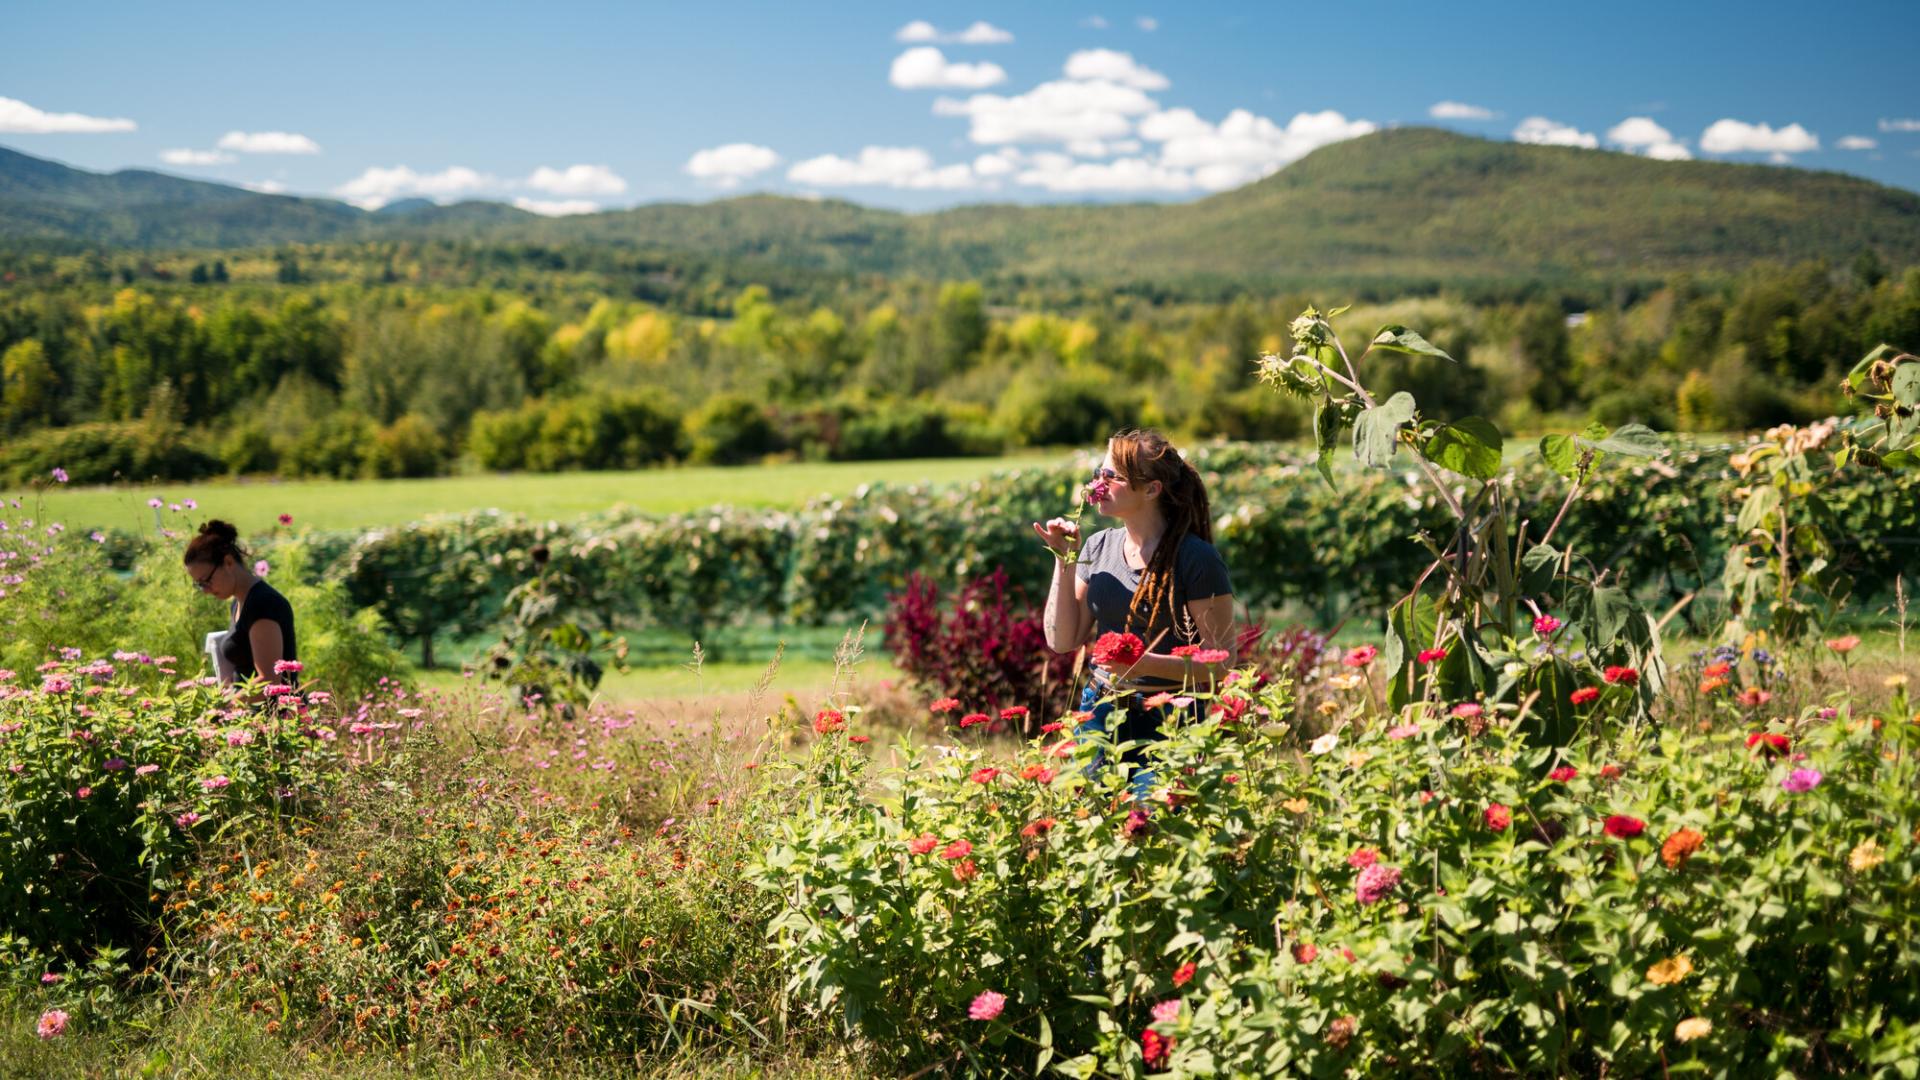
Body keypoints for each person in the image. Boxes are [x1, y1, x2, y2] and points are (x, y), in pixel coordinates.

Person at [1033, 429, 1235, 794]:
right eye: (1099, 473)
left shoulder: (1196, 559)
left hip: (1170, 717)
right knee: (1095, 818)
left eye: (1112, 476)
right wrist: (1064, 559)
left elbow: (1221, 662)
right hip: (1100, 711)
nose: (1098, 483)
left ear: (1152, 489)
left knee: (1152, 817)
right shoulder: (1097, 547)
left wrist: (1145, 664)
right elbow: (1061, 640)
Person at [183, 520, 297, 688]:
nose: (205, 591)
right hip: (246, 704)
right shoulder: (239, 602)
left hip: (274, 706)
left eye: (206, 580)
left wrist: (227, 702)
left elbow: (269, 681)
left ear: (228, 562)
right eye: (200, 585)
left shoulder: (262, 604)